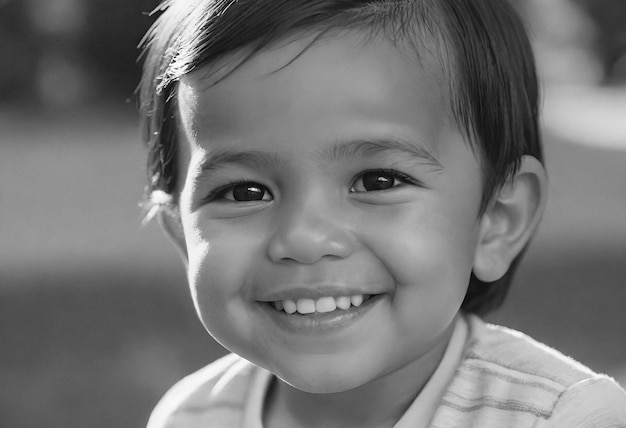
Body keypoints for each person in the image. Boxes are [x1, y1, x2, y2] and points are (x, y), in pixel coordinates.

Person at [138, 0, 626, 426]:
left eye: (378, 181)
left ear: (498, 219)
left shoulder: (561, 418)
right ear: (181, 236)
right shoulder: (192, 416)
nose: (305, 238)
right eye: (244, 191)